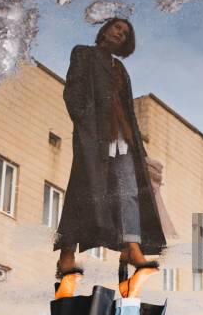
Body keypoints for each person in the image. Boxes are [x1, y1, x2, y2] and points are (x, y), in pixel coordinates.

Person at [53, 18, 166, 298]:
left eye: (126, 32)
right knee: (84, 193)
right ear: (104, 30)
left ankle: (133, 250)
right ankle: (65, 257)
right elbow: (73, 94)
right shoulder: (84, 53)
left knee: (129, 194)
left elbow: (128, 110)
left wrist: (141, 151)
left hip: (124, 139)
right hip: (94, 139)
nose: (120, 33)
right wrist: (85, 125)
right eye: (117, 27)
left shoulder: (121, 69)